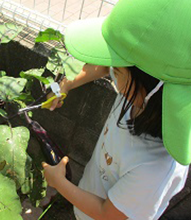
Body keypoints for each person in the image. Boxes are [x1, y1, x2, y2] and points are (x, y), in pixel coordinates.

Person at [42, 0, 191, 219]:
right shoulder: (142, 93)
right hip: (88, 200)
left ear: (147, 86)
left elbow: (108, 214)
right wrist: (66, 84)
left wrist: (59, 183)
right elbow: (102, 66)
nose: (112, 71)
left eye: (118, 70)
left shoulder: (155, 168)